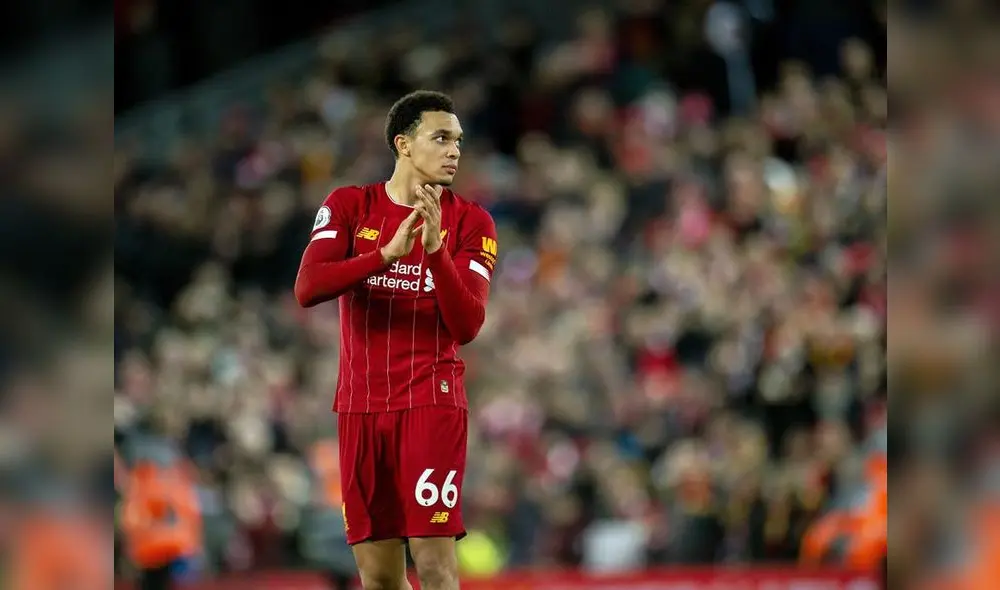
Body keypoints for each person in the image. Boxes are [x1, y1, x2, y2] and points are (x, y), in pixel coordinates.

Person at [294, 90, 498, 590]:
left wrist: (435, 253)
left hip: (430, 402)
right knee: (379, 576)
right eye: (441, 138)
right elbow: (308, 288)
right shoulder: (349, 205)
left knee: (433, 565)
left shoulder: (472, 222)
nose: (454, 151)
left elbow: (468, 324)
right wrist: (384, 255)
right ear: (403, 144)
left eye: (458, 141)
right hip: (360, 408)